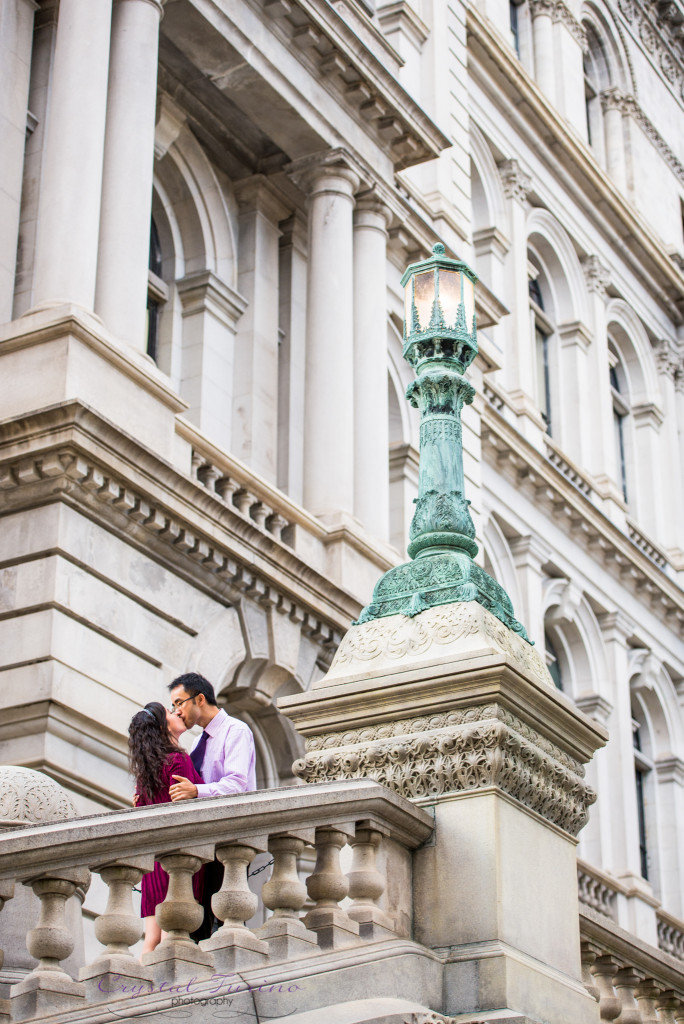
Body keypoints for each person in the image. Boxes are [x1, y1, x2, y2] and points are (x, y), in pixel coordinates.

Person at [166, 672, 256, 938]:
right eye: (174, 706)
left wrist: (196, 791)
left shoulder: (236, 730)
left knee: (223, 916)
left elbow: (237, 784)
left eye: (179, 702)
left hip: (230, 836)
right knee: (198, 916)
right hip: (204, 839)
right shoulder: (197, 742)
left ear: (200, 699)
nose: (177, 711)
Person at [128, 701, 204, 956]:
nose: (177, 713)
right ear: (163, 725)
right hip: (177, 856)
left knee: (151, 940)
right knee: (174, 934)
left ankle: (140, 991)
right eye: (170, 712)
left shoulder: (146, 772)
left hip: (155, 862)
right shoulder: (177, 760)